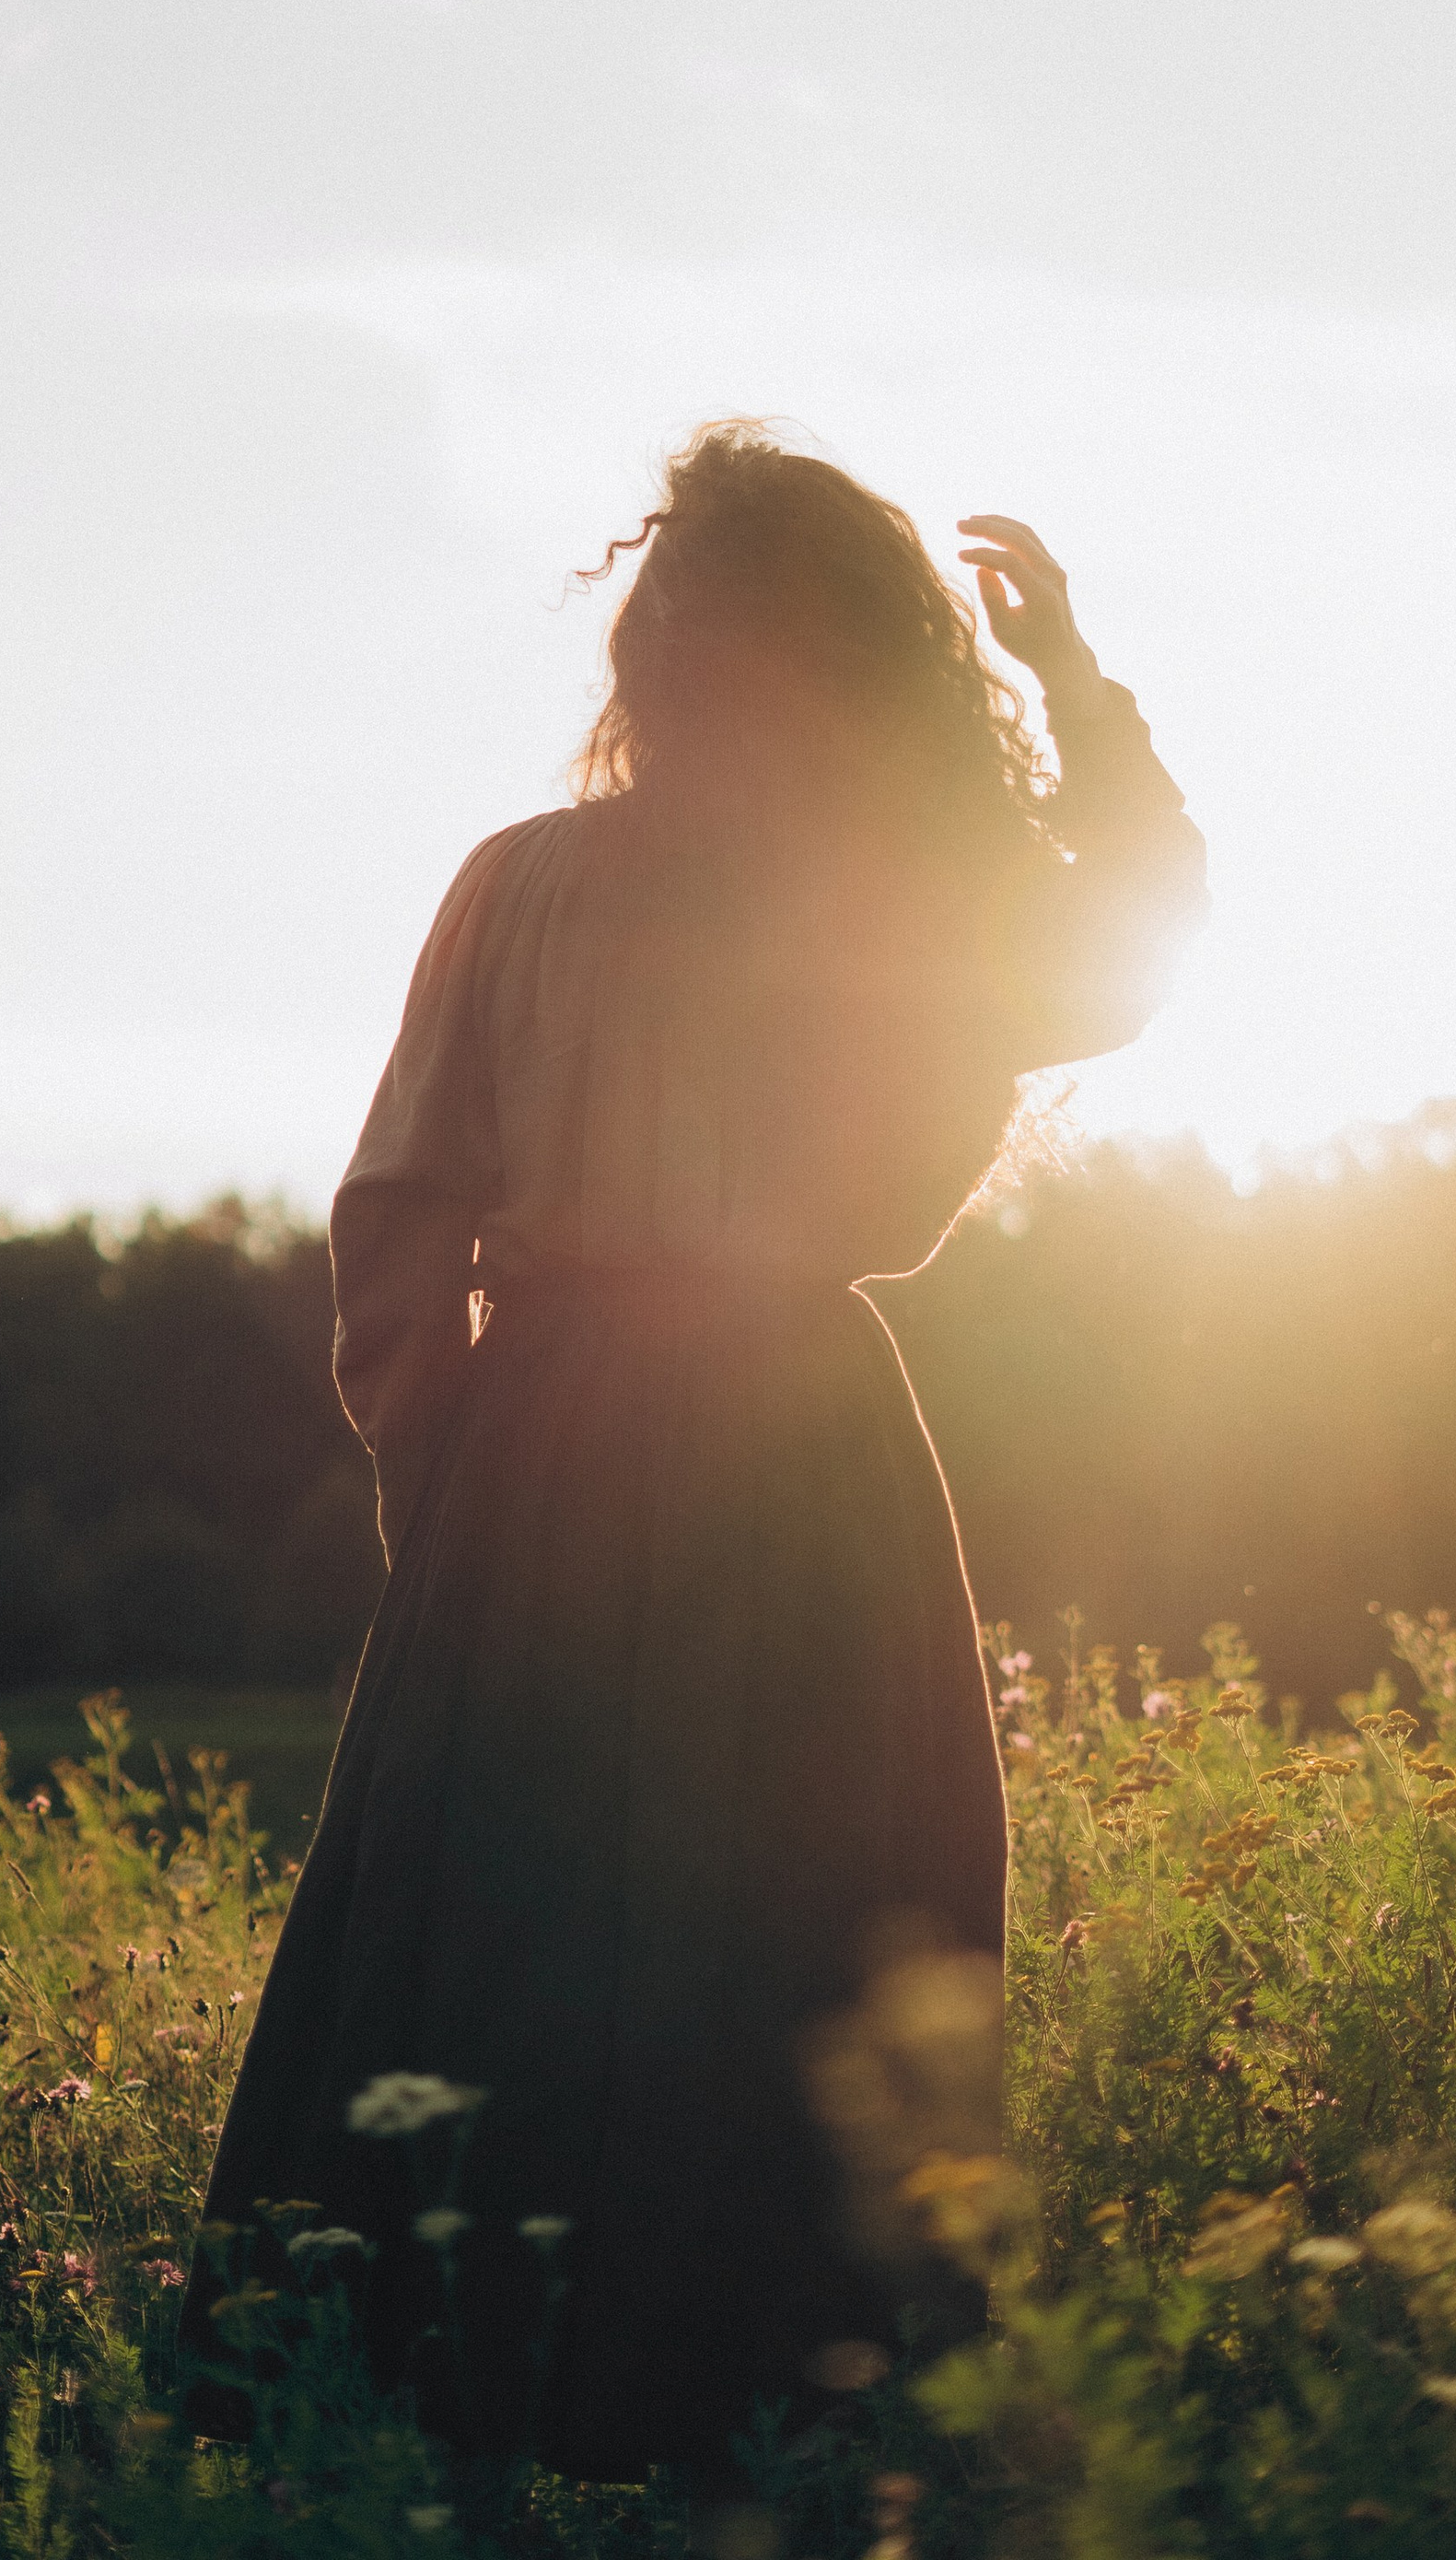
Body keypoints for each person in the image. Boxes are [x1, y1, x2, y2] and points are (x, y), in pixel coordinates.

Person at [183, 424, 1207, 2484]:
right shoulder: (898, 889)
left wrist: (450, 1484)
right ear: (867, 653)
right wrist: (1075, 694)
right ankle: (775, 2407)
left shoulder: (565, 883)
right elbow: (1140, 935)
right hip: (786, 1453)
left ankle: (482, 2408)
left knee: (519, 1934)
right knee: (793, 1919)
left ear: (660, 650)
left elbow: (396, 1218)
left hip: (561, 1453)